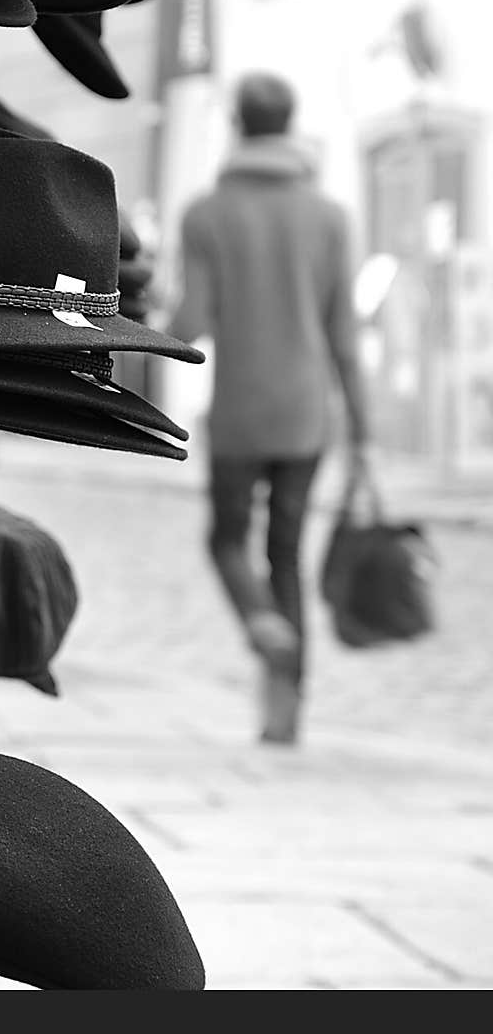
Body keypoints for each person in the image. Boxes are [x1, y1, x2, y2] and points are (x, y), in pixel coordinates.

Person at [167, 72, 370, 744]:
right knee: (285, 552)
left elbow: (190, 323)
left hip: (240, 413)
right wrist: (364, 433)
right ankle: (284, 715)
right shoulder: (330, 216)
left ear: (237, 126)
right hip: (308, 415)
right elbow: (344, 335)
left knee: (226, 538)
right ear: (289, 125)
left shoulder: (206, 213)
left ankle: (259, 620)